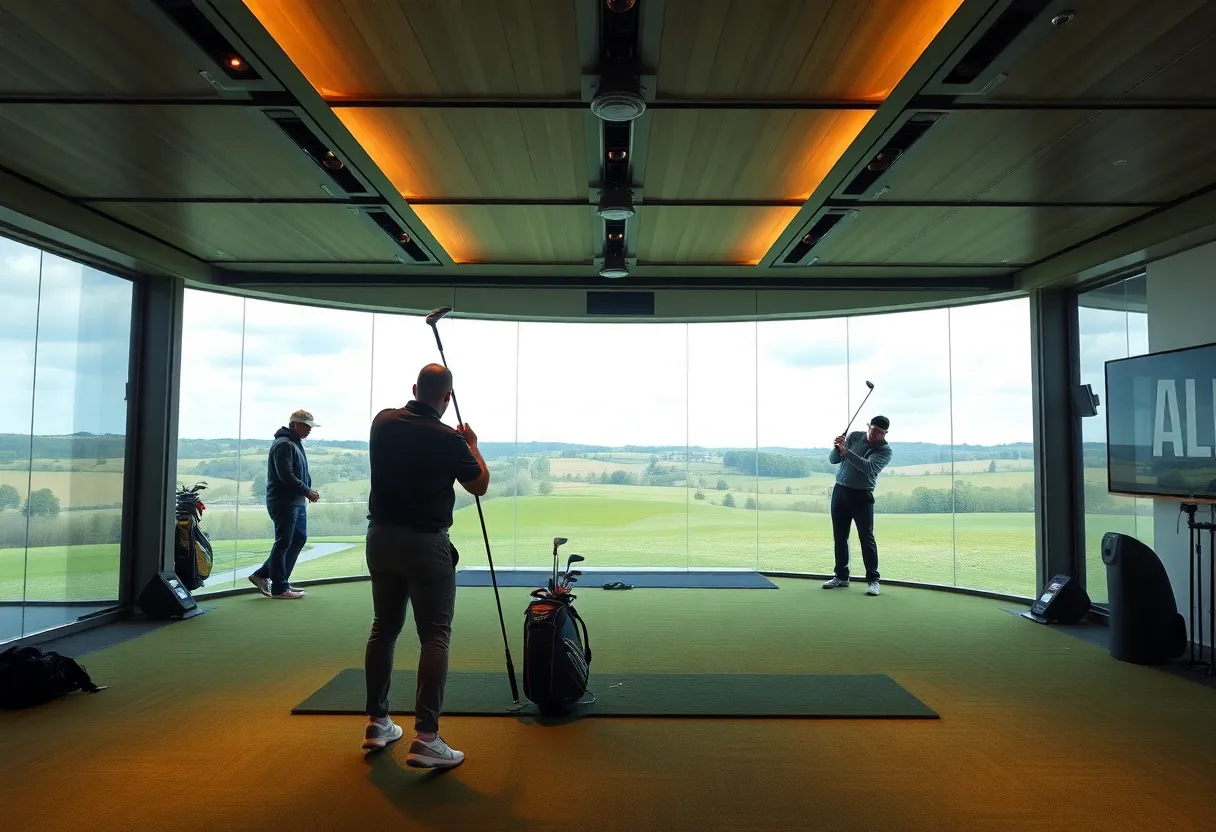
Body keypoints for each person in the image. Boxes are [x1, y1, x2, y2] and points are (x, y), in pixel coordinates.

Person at [360, 364, 490, 769]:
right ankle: (427, 738)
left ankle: (379, 723)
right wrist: (471, 444)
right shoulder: (450, 439)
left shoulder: (382, 421)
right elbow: (479, 484)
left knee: (384, 628)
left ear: (415, 389)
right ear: (447, 398)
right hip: (425, 544)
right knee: (435, 637)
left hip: (380, 540)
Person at [248, 410, 320, 600]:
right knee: (284, 542)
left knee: (297, 539)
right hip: (284, 502)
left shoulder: (293, 443)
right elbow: (286, 475)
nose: (310, 431)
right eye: (307, 426)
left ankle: (268, 576)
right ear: (295, 425)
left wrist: (306, 492)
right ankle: (279, 588)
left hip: (295, 501)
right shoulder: (284, 444)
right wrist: (307, 491)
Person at [823, 415, 892, 596]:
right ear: (868, 426)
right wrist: (837, 447)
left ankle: (873, 580)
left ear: (885, 433)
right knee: (840, 536)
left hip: (862, 496)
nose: (873, 434)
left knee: (866, 537)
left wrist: (847, 452)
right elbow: (834, 460)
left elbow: (869, 467)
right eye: (872, 429)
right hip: (840, 491)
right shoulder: (854, 437)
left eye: (878, 432)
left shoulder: (885, 451)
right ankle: (841, 576)